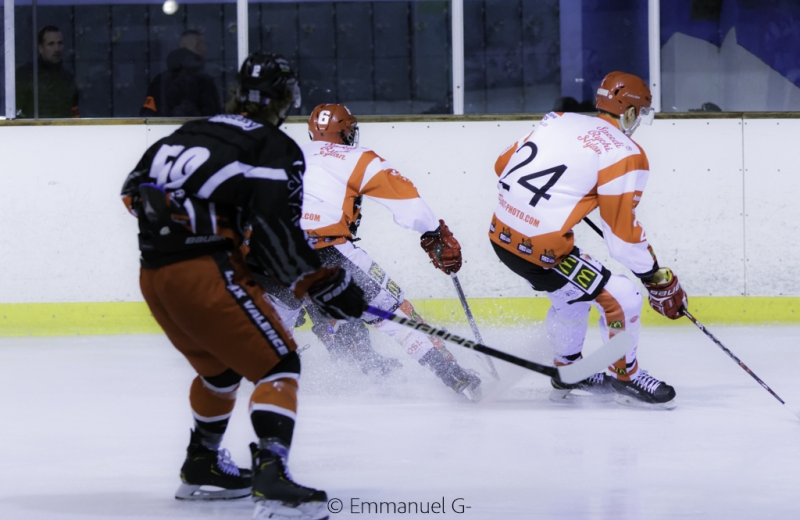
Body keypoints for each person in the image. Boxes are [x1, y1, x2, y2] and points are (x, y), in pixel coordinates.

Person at [121, 52, 366, 520]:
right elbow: (277, 232)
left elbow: (133, 194)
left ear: (237, 92)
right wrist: (320, 282)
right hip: (205, 272)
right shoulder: (273, 146)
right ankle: (272, 479)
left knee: (220, 371)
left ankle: (202, 465)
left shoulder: (190, 131)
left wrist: (193, 223)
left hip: (154, 275)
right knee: (279, 365)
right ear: (287, 98)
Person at [488, 72, 687, 410]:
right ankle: (626, 376)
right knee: (622, 296)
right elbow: (621, 237)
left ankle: (569, 371)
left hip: (500, 233)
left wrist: (566, 198)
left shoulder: (559, 119)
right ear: (630, 112)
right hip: (542, 247)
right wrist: (655, 277)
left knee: (571, 296)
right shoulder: (626, 153)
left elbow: (501, 165)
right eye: (640, 114)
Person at [261, 103, 482, 400]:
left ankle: (252, 379)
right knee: (393, 311)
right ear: (345, 131)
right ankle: (455, 376)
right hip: (324, 249)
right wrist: (433, 233)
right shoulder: (357, 157)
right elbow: (407, 201)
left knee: (275, 326)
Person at [140, 30, 221, 117]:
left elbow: (148, 114)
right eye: (203, 45)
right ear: (199, 47)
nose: (206, 50)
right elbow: (213, 116)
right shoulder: (205, 80)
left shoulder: (159, 81)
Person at [15, 25, 79, 118]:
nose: (57, 49)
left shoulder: (68, 78)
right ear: (40, 48)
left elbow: (74, 114)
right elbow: (16, 112)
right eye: (51, 44)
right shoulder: (25, 75)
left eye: (60, 43)